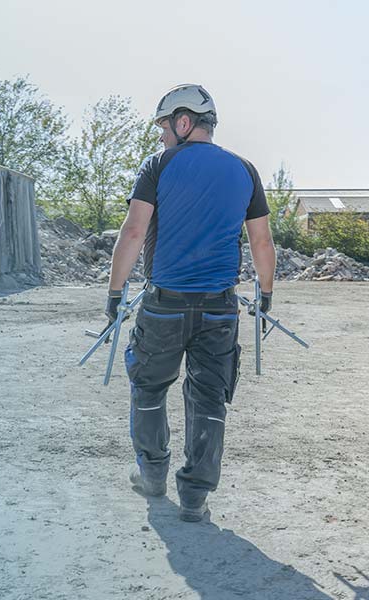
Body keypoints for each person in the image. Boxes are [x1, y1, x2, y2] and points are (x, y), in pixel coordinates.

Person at [106, 84, 276, 522]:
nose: (162, 135)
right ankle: (196, 497)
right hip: (219, 310)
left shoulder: (158, 166)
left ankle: (152, 474)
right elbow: (261, 240)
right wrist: (267, 291)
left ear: (183, 122)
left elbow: (132, 232)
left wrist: (114, 292)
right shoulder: (245, 170)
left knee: (148, 387)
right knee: (208, 399)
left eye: (164, 126)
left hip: (164, 306)